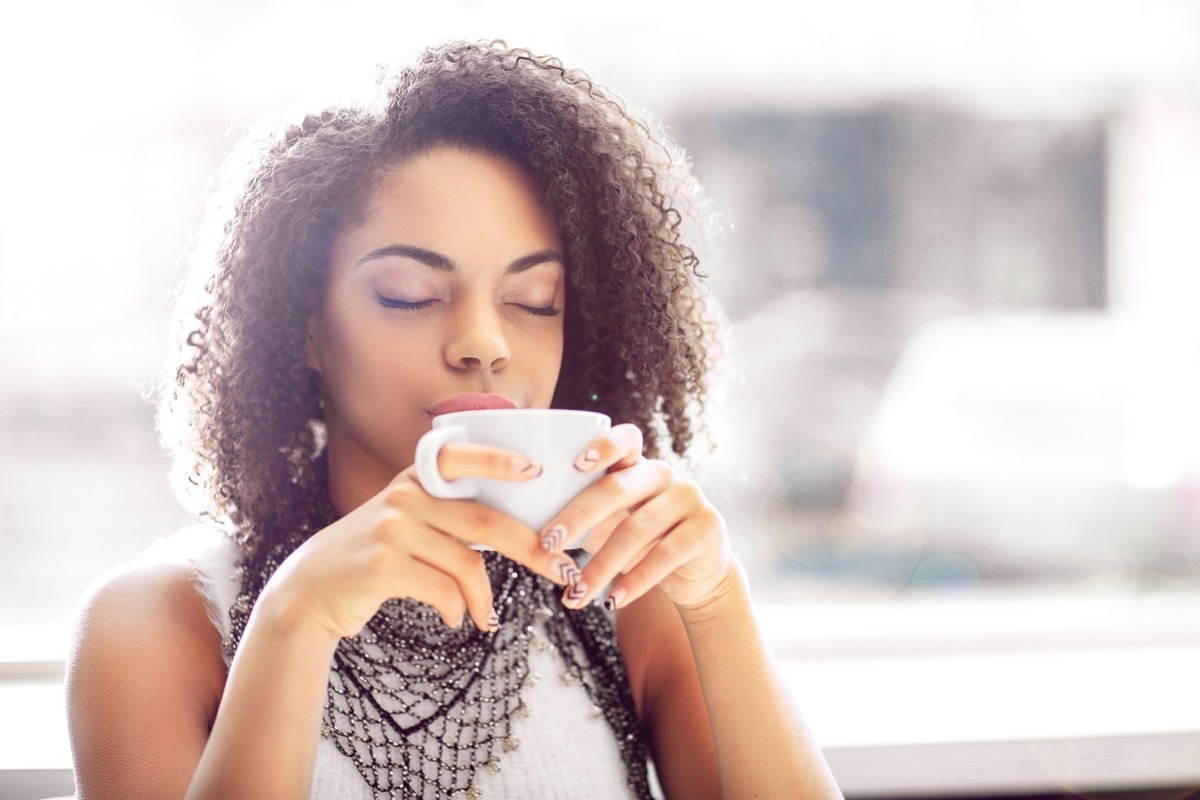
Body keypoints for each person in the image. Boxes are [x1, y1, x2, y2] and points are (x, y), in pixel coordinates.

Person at [65, 39, 843, 800]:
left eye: (534, 300)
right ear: (303, 325)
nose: (484, 343)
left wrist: (718, 602)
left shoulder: (630, 597)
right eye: (409, 294)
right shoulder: (157, 623)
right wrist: (292, 625)